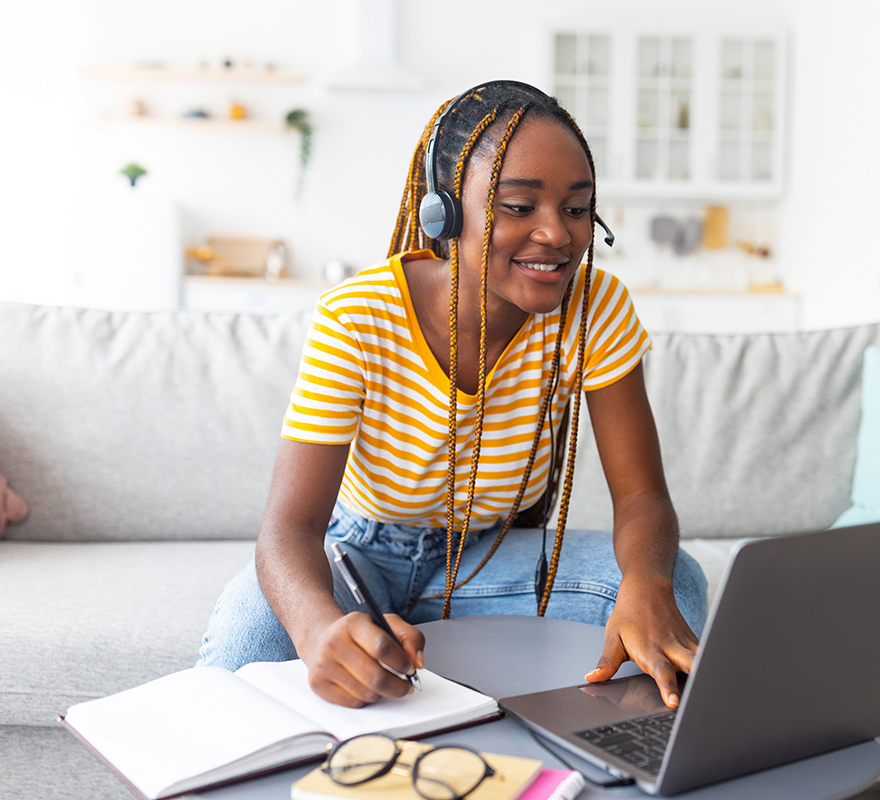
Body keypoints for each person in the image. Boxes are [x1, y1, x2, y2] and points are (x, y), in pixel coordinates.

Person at [198, 80, 708, 712]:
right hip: (361, 555)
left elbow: (642, 496)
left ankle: (627, 758)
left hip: (491, 557)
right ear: (444, 212)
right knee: (259, 618)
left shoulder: (594, 307)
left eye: (577, 209)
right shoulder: (358, 316)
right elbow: (288, 528)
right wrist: (318, 630)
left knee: (670, 581)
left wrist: (645, 578)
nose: (555, 233)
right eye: (519, 206)